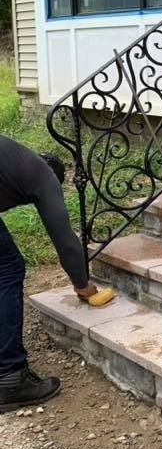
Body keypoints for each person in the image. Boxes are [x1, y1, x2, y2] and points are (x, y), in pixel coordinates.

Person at [0, 135, 99, 412]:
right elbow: (65, 240)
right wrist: (82, 284)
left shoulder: (14, 161)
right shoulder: (43, 175)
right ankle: (10, 378)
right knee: (8, 269)